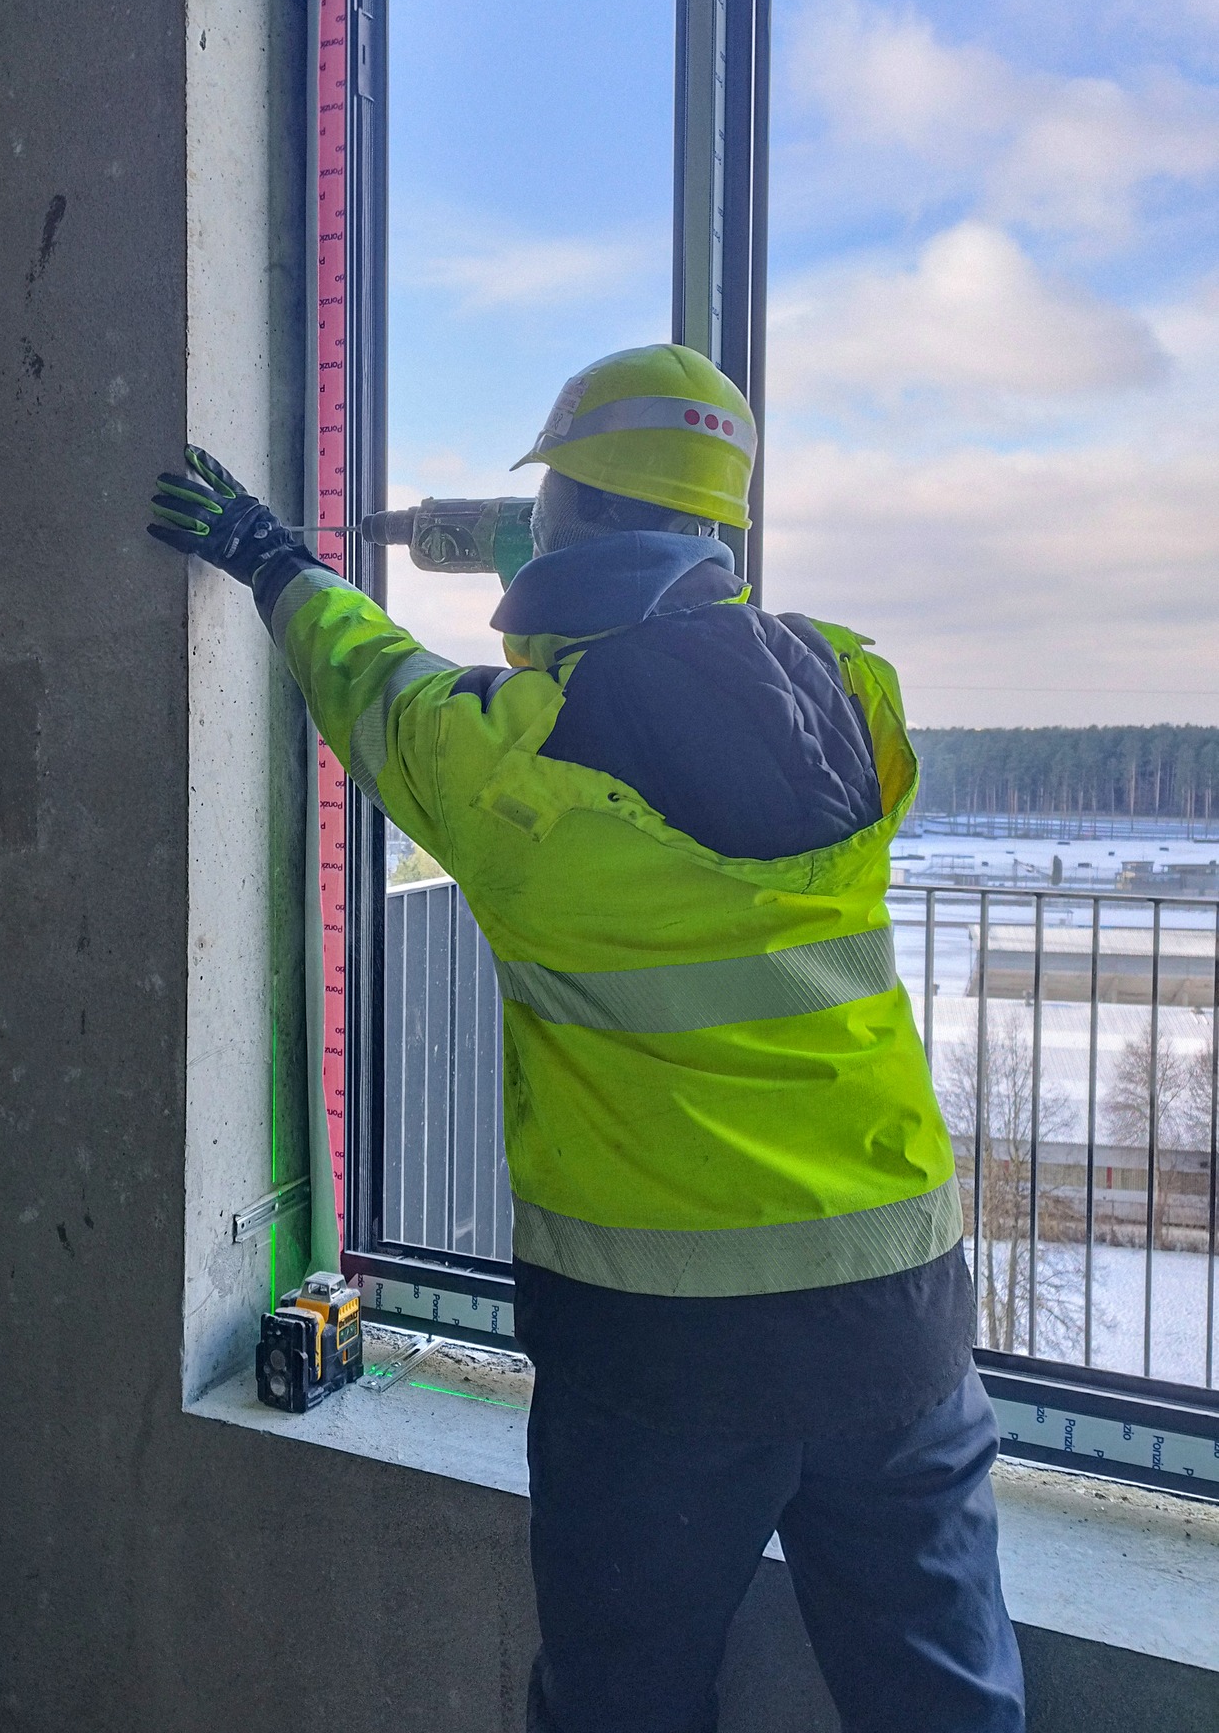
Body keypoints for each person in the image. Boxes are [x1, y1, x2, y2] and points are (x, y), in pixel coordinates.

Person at [149, 343, 1024, 1733]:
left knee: (624, 1702)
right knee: (943, 1705)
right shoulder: (853, 689)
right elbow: (692, 662)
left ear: (566, 503)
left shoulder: (514, 772)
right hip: (897, 1312)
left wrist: (273, 559)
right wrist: (578, 562)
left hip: (662, 1352)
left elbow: (370, 680)